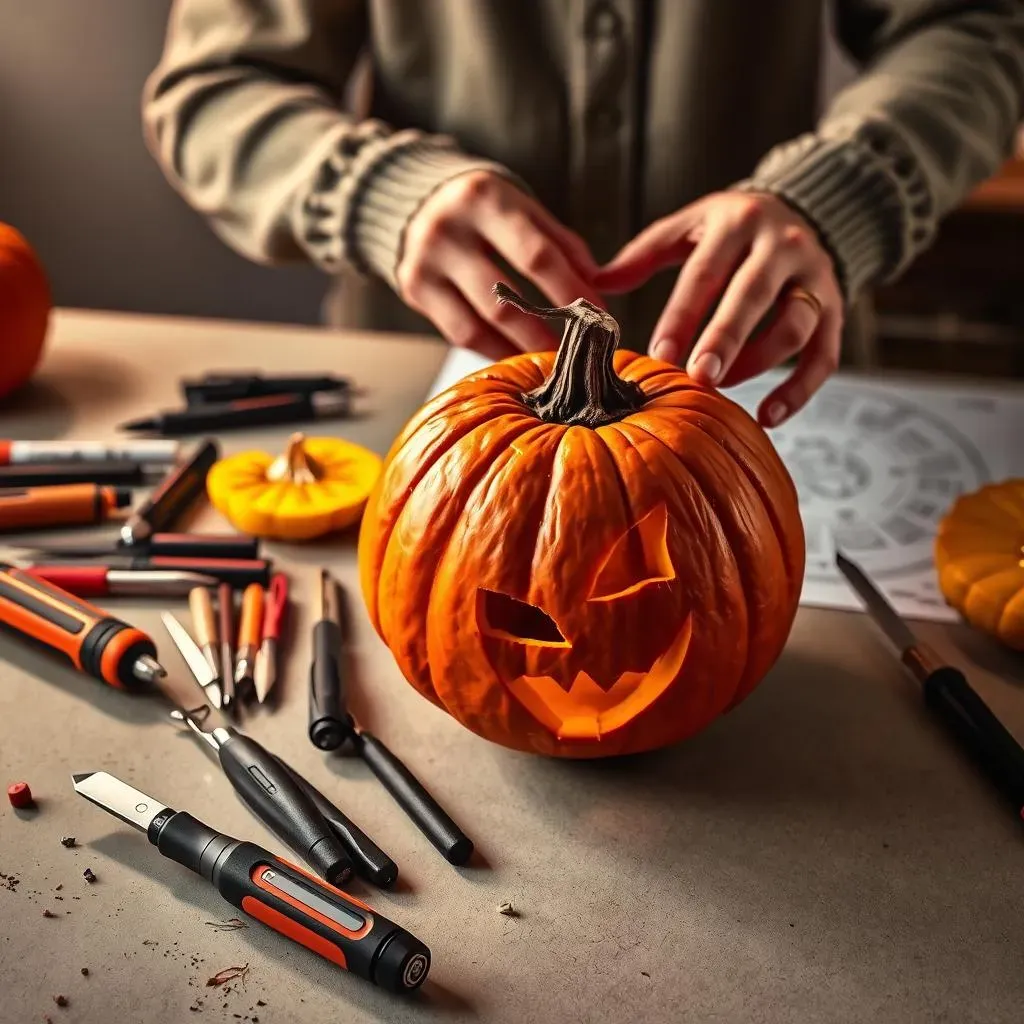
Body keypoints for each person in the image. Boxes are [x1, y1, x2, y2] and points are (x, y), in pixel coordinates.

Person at [142, 1, 1024, 427]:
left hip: (767, 391)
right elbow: (216, 88)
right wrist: (382, 194)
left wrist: (846, 188)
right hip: (427, 393)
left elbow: (973, 26)